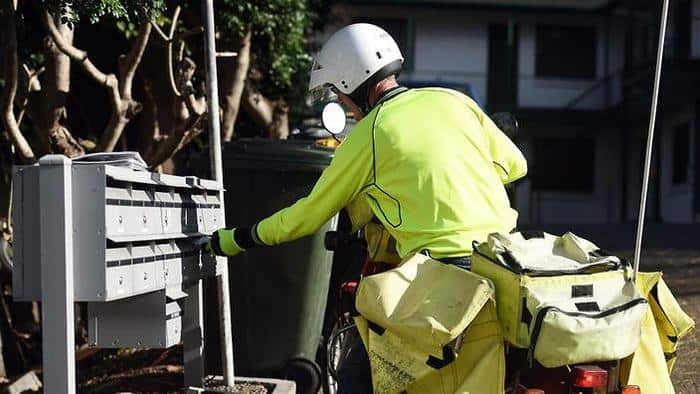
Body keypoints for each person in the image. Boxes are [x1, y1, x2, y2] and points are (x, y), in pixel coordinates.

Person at [205, 23, 528, 393]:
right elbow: (515, 165)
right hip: (505, 267)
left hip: (443, 280)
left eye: (339, 93)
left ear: (353, 83)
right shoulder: (454, 100)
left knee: (360, 377)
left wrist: (238, 238)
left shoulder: (370, 133)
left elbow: (307, 215)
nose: (342, 103)